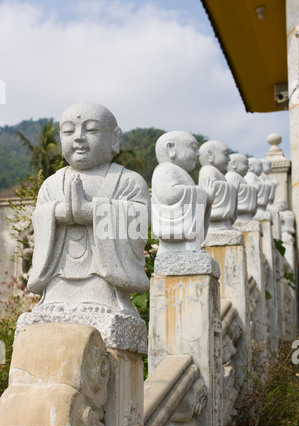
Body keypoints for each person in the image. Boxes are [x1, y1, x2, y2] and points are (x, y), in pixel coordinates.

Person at [28, 102, 151, 314]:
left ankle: (103, 297)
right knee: (56, 293)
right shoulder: (52, 184)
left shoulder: (127, 181)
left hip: (103, 280)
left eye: (91, 129)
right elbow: (39, 219)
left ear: (114, 138)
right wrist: (59, 213)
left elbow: (139, 220)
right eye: (68, 131)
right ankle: (56, 298)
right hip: (59, 274)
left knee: (100, 288)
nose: (78, 137)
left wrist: (91, 211)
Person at [151, 130, 214, 254]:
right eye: (193, 148)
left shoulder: (179, 173)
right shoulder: (164, 170)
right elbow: (168, 195)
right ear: (170, 148)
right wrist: (203, 194)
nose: (198, 154)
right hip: (173, 245)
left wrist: (205, 198)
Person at [198, 140, 238, 230]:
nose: (229, 159)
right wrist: (233, 188)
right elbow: (211, 193)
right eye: (226, 154)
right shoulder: (208, 170)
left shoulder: (217, 172)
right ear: (210, 154)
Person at [225, 153, 257, 221]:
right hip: (239, 215)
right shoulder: (231, 176)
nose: (248, 167)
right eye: (245, 164)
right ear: (234, 164)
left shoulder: (238, 177)